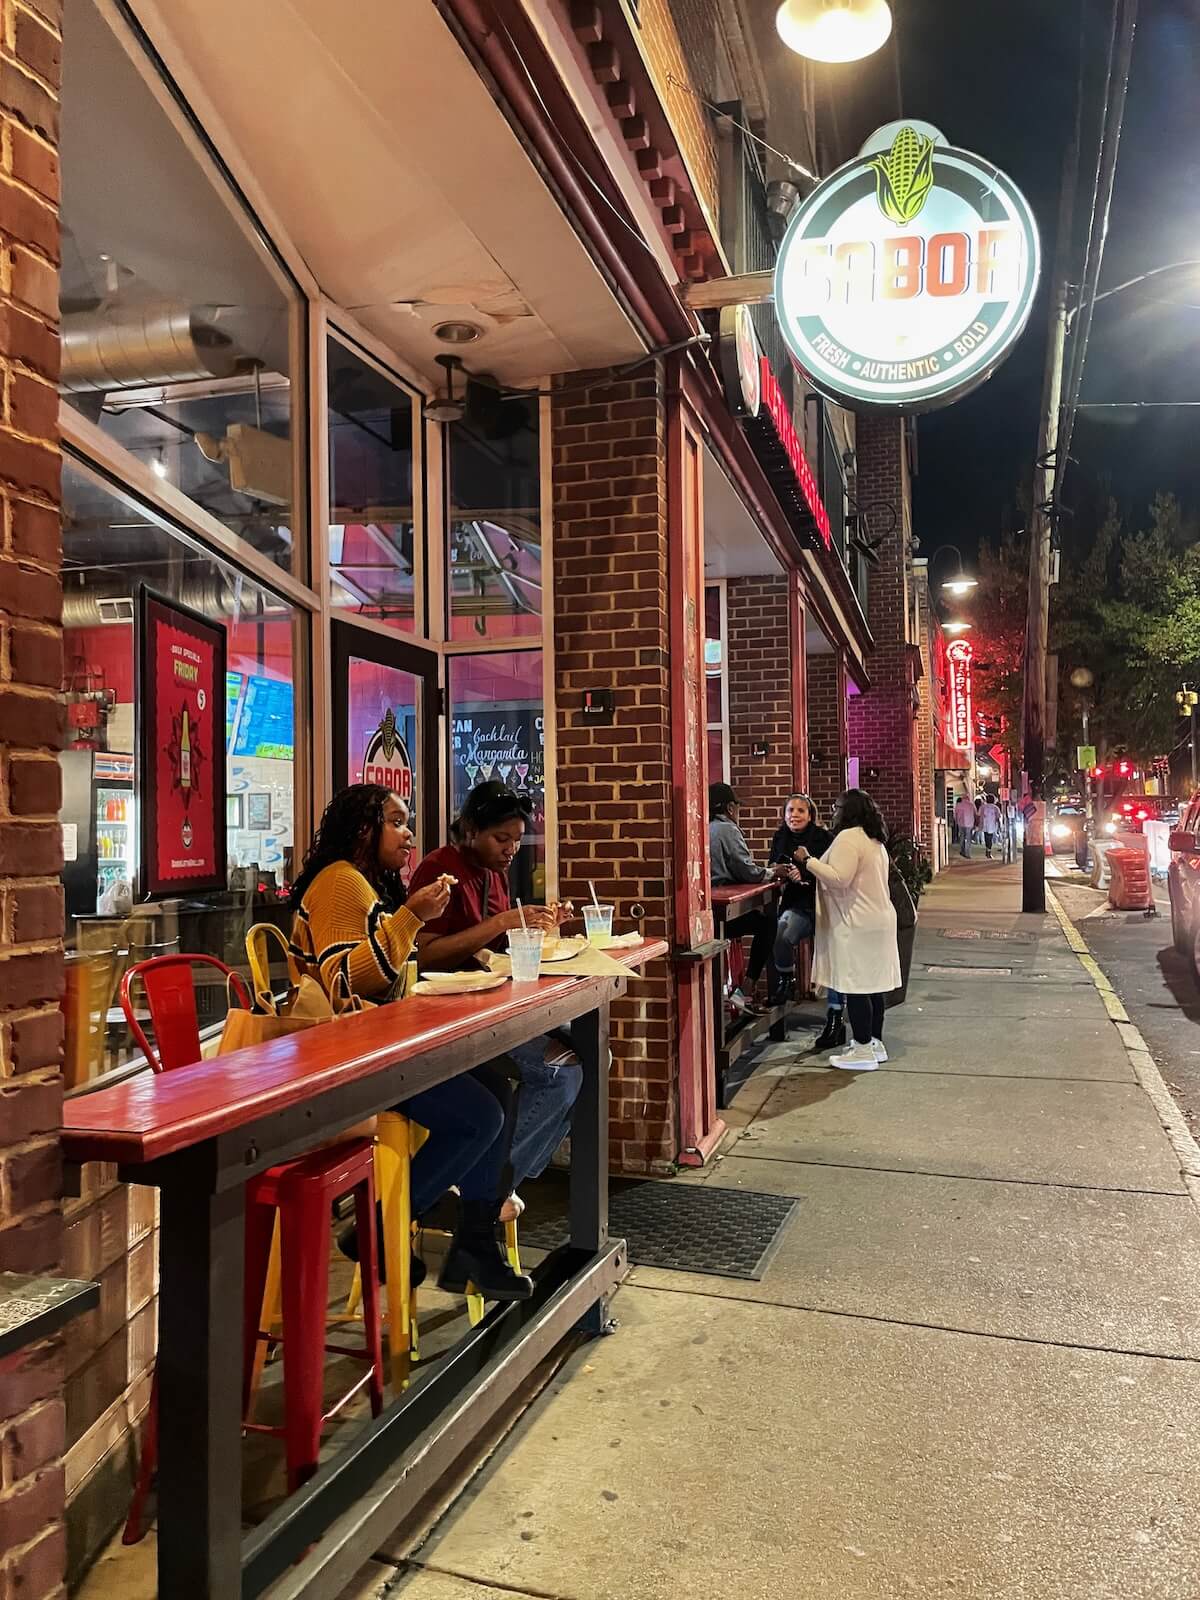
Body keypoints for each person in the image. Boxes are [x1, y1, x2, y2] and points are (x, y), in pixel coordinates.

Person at [289, 783, 532, 1300]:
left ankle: (472, 1243)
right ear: (364, 830)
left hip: (381, 1042)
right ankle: (381, 1228)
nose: (409, 834)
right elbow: (344, 980)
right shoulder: (339, 883)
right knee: (480, 1116)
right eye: (397, 822)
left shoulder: (369, 882)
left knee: (503, 1082)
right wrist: (413, 917)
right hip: (345, 1057)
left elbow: (393, 969)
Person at [408, 782, 583, 1211]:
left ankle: (494, 1180)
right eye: (500, 839)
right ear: (470, 830)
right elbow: (426, 955)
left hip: (492, 1004)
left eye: (517, 841)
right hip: (446, 1014)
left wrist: (539, 925)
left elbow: (495, 949)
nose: (510, 850)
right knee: (562, 1074)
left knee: (593, 1058)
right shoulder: (439, 871)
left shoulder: (492, 873)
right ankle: (482, 1186)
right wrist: (504, 920)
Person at [793, 789, 902, 1071]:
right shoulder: (873, 839)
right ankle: (874, 1042)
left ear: (848, 810)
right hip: (878, 919)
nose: (833, 811)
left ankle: (863, 1049)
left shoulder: (848, 838)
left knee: (856, 987)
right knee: (874, 987)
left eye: (837, 806)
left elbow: (839, 878)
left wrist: (808, 861)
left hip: (857, 922)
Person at [767, 794, 844, 1046]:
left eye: (801, 810)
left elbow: (833, 874)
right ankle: (786, 979)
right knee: (781, 931)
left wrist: (807, 870)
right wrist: (781, 872)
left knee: (832, 958)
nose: (794, 815)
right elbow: (772, 866)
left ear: (811, 815)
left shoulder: (823, 838)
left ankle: (835, 1015)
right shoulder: (780, 837)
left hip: (824, 906)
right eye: (790, 810)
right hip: (796, 906)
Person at [708, 782, 785, 1011]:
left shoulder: (702, 826)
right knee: (767, 923)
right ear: (731, 808)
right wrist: (773, 872)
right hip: (721, 916)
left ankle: (735, 995)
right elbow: (747, 870)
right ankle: (746, 989)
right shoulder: (727, 829)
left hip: (705, 912)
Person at [953, 792, 977, 859]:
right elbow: (975, 814)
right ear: (968, 798)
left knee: (962, 836)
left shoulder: (958, 805)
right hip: (969, 823)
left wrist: (957, 821)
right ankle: (967, 853)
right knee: (968, 838)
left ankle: (962, 850)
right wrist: (975, 822)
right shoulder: (971, 805)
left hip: (960, 823)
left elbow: (955, 815)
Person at [979, 794, 1001, 859]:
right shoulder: (995, 808)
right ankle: (988, 851)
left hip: (984, 825)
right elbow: (998, 817)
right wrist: (999, 825)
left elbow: (979, 814)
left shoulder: (983, 807)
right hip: (992, 825)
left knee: (987, 838)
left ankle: (988, 850)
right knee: (990, 838)